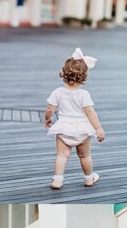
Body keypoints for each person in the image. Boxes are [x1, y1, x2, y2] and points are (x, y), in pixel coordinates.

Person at [44, 48, 105, 190]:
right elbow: (90, 113)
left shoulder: (58, 92)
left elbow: (50, 109)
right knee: (85, 156)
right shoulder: (84, 94)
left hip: (64, 129)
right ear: (83, 76)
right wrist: (98, 128)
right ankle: (89, 178)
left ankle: (57, 180)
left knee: (61, 156)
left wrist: (47, 119)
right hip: (82, 130)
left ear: (64, 74)